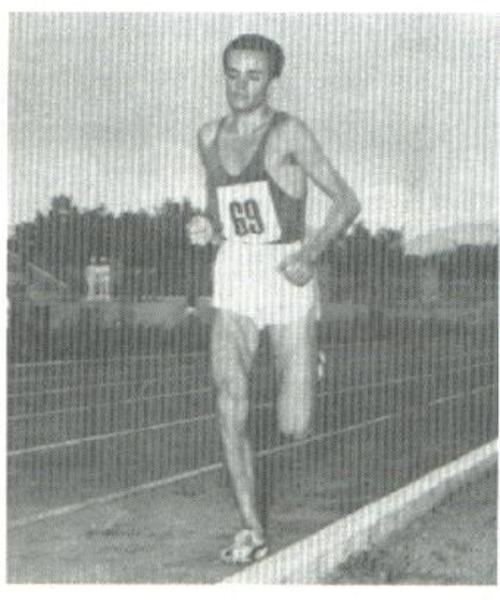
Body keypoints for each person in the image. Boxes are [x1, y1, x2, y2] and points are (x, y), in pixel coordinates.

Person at [186, 34, 361, 564]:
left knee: (294, 425)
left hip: (287, 272)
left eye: (254, 75)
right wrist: (205, 226)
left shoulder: (289, 133)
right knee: (229, 399)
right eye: (233, 74)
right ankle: (252, 528)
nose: (241, 86)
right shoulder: (208, 136)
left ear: (271, 80)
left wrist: (311, 254)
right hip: (236, 268)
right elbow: (222, 212)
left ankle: (311, 361)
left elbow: (347, 202)